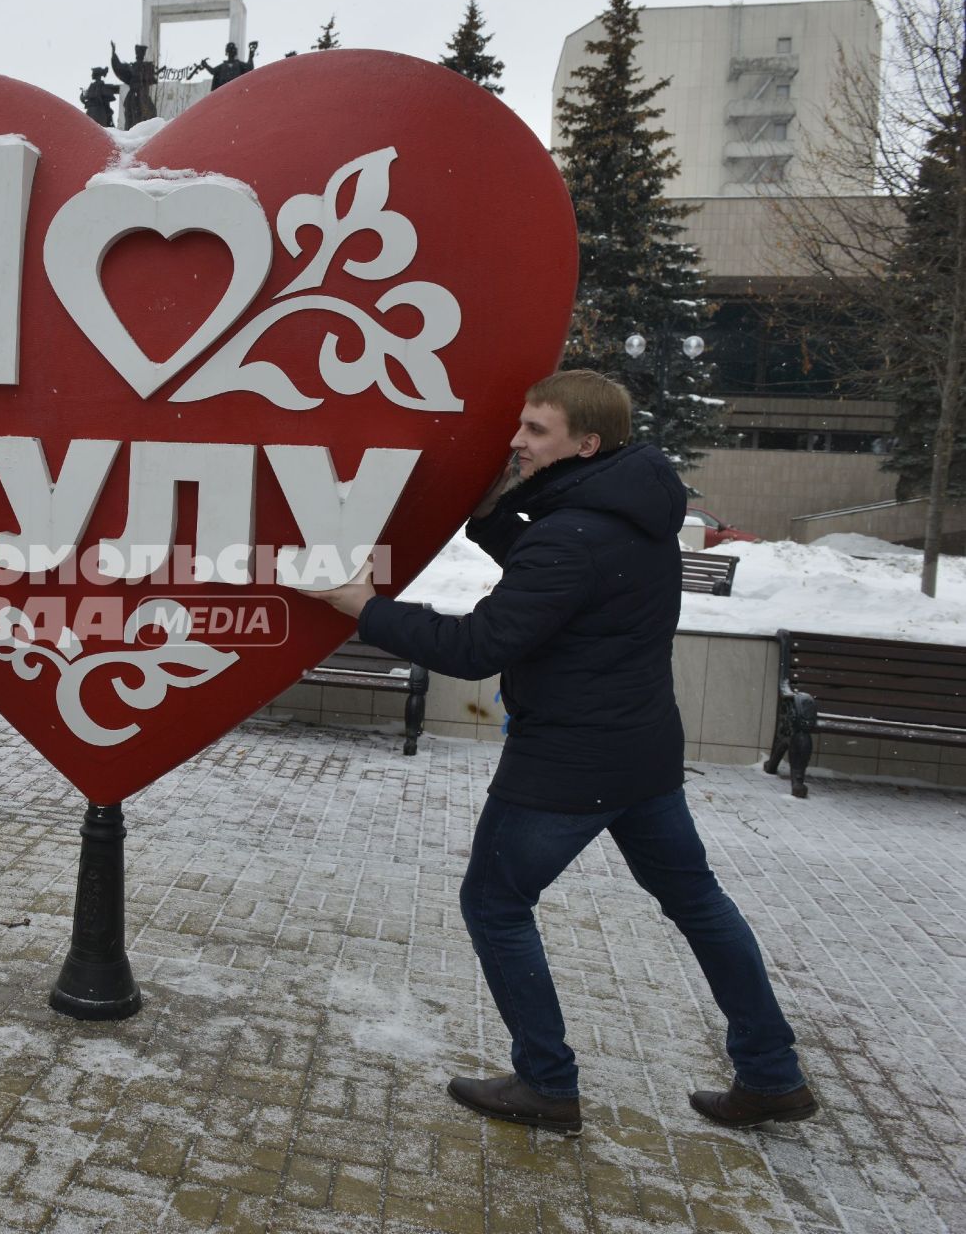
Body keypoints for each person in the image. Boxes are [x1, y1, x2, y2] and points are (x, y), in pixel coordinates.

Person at [305, 370, 815, 1135]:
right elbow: (563, 568)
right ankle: (772, 1074)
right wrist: (488, 521)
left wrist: (364, 610)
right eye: (519, 425)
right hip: (640, 753)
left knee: (494, 903)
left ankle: (545, 1082)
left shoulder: (573, 535)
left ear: (586, 443)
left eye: (534, 431)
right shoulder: (631, 508)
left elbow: (478, 645)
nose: (514, 442)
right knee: (698, 904)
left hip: (567, 763)